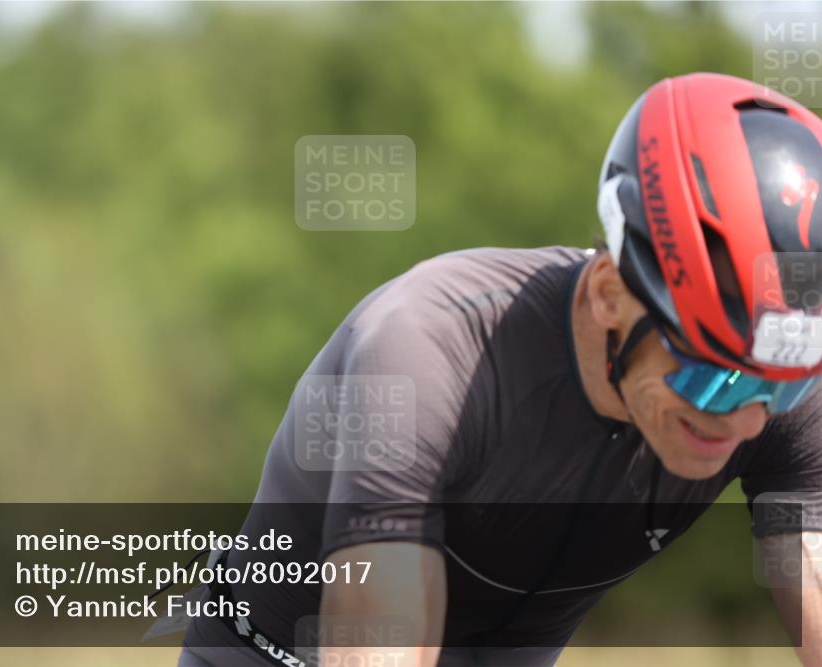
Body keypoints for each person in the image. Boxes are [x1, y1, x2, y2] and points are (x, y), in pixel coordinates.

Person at [174, 73, 822, 667]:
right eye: (711, 376)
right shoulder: (426, 351)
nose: (744, 416)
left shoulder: (774, 378)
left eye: (779, 386)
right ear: (608, 293)